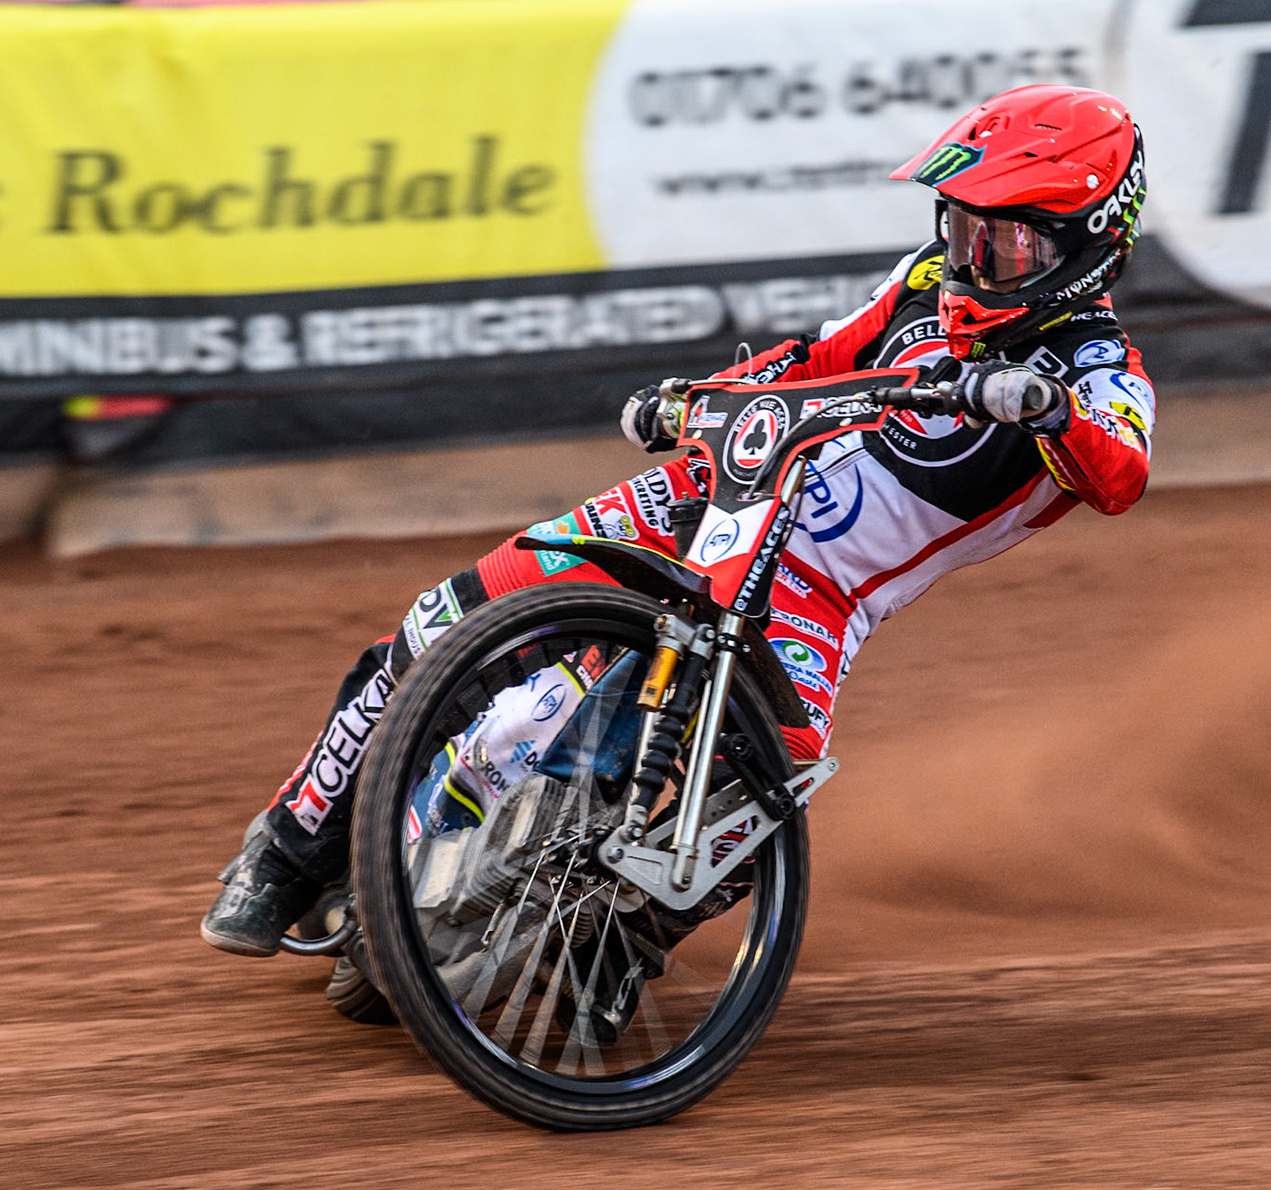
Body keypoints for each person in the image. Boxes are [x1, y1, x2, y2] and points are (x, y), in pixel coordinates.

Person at [202, 83, 1155, 958]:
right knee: (444, 620)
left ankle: (611, 947)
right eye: (961, 229)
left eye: (1008, 244)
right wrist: (695, 398)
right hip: (718, 496)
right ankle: (287, 854)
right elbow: (812, 359)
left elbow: (1121, 473)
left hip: (817, 593)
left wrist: (1045, 405)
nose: (972, 261)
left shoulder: (1101, 367)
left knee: (776, 784)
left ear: (1089, 245)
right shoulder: (921, 285)